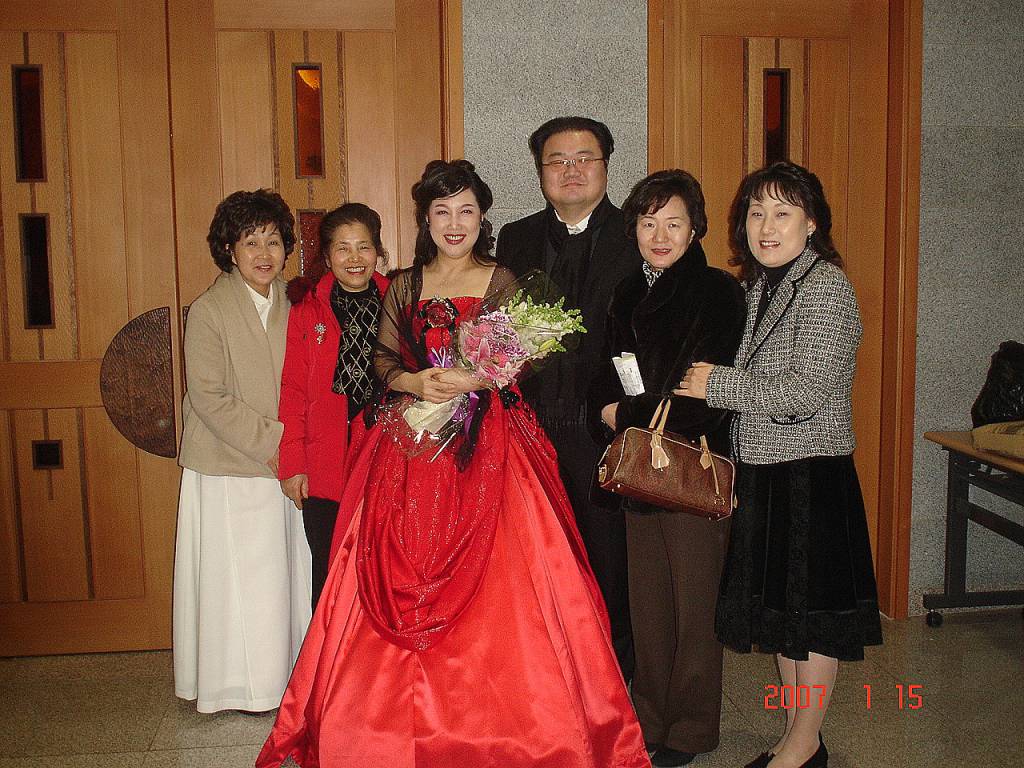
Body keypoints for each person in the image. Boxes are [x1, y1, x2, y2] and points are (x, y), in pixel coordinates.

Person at [255, 160, 650, 768]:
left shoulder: (502, 278)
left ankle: (504, 720)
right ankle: (380, 721)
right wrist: (415, 381)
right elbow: (383, 360)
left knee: (510, 575)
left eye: (466, 210)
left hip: (490, 442)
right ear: (426, 220)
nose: (454, 222)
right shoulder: (405, 283)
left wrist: (477, 377)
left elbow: (522, 362)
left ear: (482, 216)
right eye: (442, 211)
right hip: (411, 443)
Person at [676, 161, 883, 768]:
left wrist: (718, 385)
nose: (766, 227)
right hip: (764, 469)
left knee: (811, 619)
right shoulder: (760, 287)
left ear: (811, 223)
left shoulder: (826, 288)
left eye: (783, 213)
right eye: (757, 213)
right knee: (784, 616)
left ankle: (804, 740)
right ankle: (799, 734)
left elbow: (806, 391)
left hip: (810, 473)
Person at [591, 170, 745, 767]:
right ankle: (650, 717)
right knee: (648, 605)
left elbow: (707, 393)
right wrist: (605, 407)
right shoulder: (627, 290)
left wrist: (625, 413)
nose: (660, 235)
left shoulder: (717, 292)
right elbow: (607, 373)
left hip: (689, 467)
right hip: (638, 471)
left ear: (695, 229)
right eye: (648, 222)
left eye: (673, 223)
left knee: (695, 608)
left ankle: (692, 727)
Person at [496, 116, 640, 680]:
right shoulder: (515, 237)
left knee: (609, 557)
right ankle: (547, 674)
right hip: (529, 425)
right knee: (535, 553)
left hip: (602, 424)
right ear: (540, 172)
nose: (571, 170)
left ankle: (614, 676)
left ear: (606, 166)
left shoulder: (638, 233)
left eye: (584, 158)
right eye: (557, 160)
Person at [174, 189, 311, 714]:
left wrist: (298, 447)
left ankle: (284, 679)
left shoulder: (297, 304)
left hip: (285, 464)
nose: (264, 253)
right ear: (229, 248)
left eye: (273, 241)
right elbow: (209, 397)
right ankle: (232, 685)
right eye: (251, 241)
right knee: (235, 580)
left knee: (279, 578)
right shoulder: (209, 310)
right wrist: (280, 443)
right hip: (228, 465)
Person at [278, 203, 390, 610]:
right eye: (343, 248)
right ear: (327, 257)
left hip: (385, 457)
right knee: (328, 574)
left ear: (378, 252)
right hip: (325, 463)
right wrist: (293, 464)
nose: (354, 258)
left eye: (363, 246)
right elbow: (292, 390)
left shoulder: (400, 303)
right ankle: (326, 651)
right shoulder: (307, 310)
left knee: (382, 572)